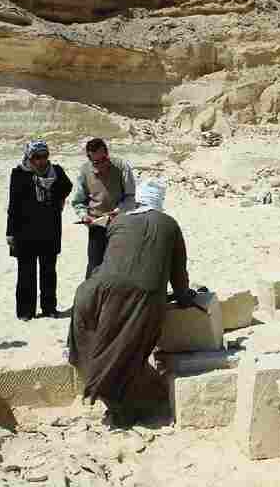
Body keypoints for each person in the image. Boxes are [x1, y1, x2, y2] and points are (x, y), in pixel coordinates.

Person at [68, 179, 190, 428]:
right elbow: (178, 273)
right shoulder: (169, 224)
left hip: (92, 290)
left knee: (94, 344)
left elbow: (114, 259)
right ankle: (123, 410)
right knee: (127, 352)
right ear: (160, 203)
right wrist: (185, 296)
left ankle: (103, 394)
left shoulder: (119, 221)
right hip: (139, 296)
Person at [6, 140, 73, 321]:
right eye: (37, 157)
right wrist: (10, 232)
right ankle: (25, 311)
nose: (41, 161)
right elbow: (13, 205)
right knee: (26, 273)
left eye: (44, 156)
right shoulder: (19, 173)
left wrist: (55, 194)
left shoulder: (56, 172)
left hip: (49, 230)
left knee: (48, 272)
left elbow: (68, 187)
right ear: (29, 157)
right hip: (24, 232)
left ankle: (49, 308)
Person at [71, 138, 136, 279]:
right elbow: (78, 202)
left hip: (120, 223)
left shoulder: (122, 167)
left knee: (119, 266)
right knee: (95, 267)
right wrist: (84, 216)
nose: (101, 165)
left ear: (107, 154)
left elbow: (130, 197)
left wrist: (118, 211)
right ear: (90, 160)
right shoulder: (85, 171)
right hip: (96, 225)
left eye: (104, 159)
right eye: (96, 162)